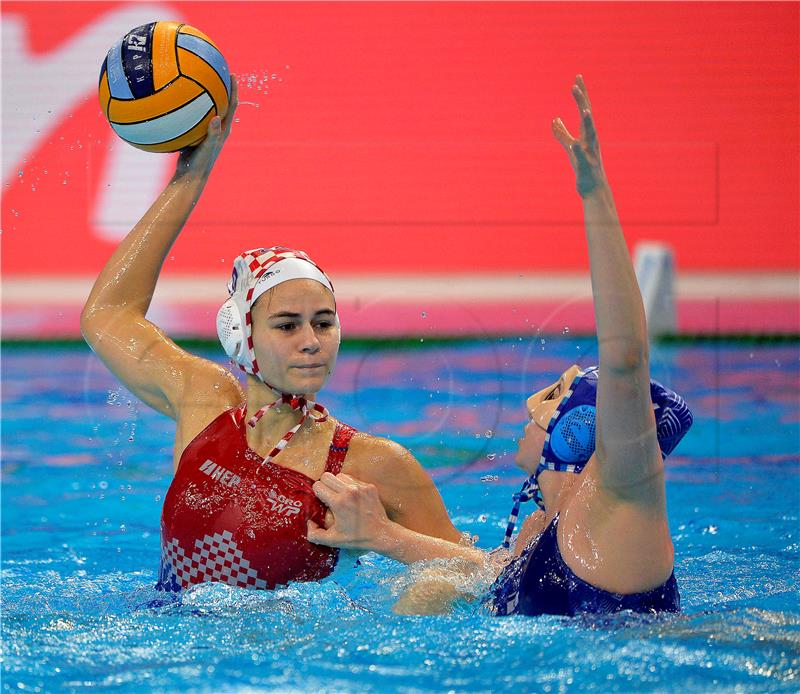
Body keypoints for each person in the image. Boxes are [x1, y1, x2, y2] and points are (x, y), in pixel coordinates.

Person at [307, 75, 693, 617]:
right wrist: (382, 536)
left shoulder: (619, 503)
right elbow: (488, 573)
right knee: (427, 591)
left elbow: (626, 363)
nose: (535, 400)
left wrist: (595, 197)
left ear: (582, 427)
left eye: (556, 392)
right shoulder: (543, 526)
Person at [80, 76, 460, 594]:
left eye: (324, 323)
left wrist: (388, 537)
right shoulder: (205, 404)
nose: (312, 341)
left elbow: (484, 575)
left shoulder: (369, 463)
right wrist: (190, 177)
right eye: (287, 325)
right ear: (240, 335)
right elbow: (108, 314)